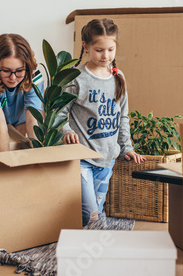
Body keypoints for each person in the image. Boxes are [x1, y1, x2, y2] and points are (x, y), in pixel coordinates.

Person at [59, 18, 145, 226]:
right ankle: (94, 245)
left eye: (110, 49)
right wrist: (66, 130)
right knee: (92, 215)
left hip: (107, 158)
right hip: (82, 159)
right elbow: (58, 112)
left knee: (97, 210)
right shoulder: (75, 78)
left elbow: (123, 115)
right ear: (85, 47)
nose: (105, 56)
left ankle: (90, 245)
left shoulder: (118, 76)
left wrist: (127, 147)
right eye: (99, 50)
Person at [0, 33, 44, 151]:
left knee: (20, 137)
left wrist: (38, 157)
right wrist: (7, 163)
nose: (13, 78)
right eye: (6, 71)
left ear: (27, 67)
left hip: (21, 120)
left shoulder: (34, 77)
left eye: (19, 71)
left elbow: (32, 121)